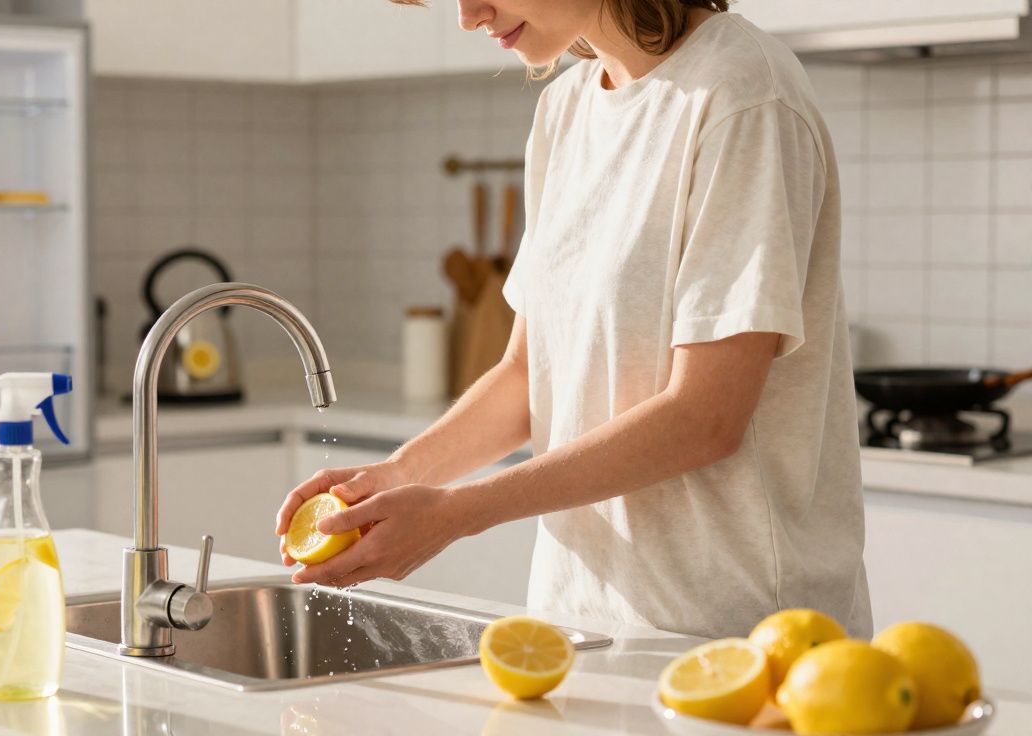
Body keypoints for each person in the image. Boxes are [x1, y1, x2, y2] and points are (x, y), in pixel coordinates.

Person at [275, 0, 871, 639]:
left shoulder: (743, 96)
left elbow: (705, 417)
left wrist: (457, 513)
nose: (468, 16)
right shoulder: (565, 110)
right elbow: (528, 374)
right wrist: (395, 477)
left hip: (733, 634)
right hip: (577, 625)